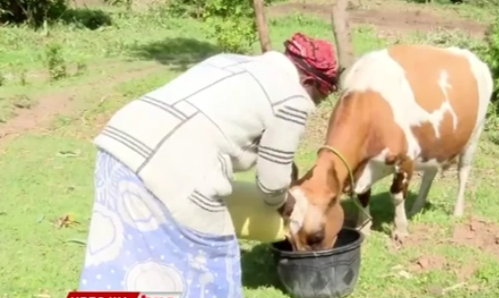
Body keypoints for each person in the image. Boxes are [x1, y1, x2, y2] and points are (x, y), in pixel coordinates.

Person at [76, 32, 339, 298]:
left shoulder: (229, 61)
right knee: (208, 257)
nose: (315, 104)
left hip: (119, 145)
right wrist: (283, 202)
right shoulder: (293, 98)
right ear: (307, 80)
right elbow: (272, 183)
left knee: (128, 255)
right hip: (173, 166)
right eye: (320, 95)